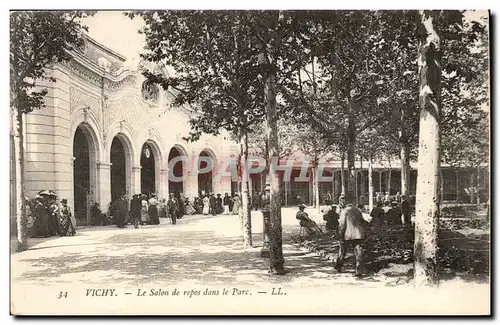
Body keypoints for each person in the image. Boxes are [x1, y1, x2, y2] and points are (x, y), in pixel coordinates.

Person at [334, 202, 370, 278]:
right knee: (358, 251)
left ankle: (339, 266)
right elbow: (362, 221)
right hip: (358, 234)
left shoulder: (344, 211)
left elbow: (342, 224)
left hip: (347, 234)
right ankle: (358, 271)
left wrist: (340, 235)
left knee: (342, 250)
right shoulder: (357, 210)